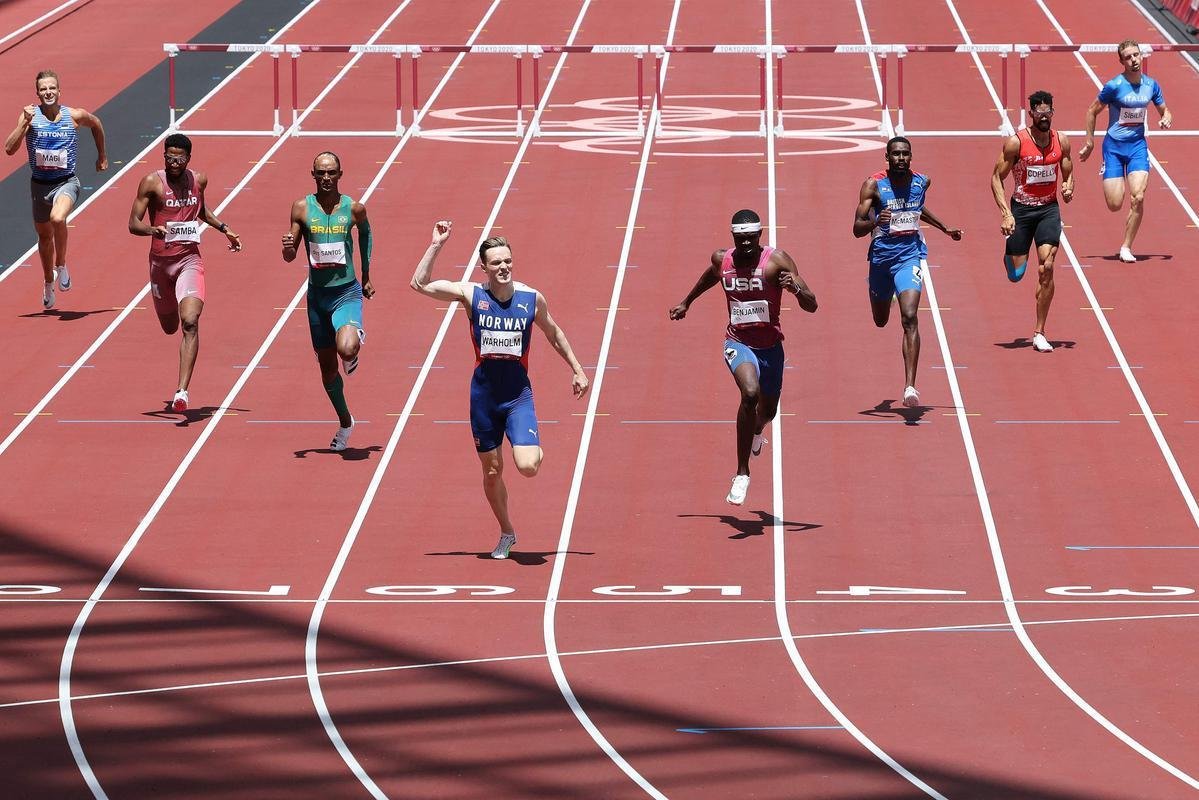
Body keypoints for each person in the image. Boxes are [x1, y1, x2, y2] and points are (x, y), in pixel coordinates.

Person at [411, 221, 589, 559]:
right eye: (496, 263)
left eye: (507, 261)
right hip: (483, 398)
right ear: (484, 267)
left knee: (527, 466)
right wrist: (436, 244)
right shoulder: (471, 295)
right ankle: (507, 532)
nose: (503, 267)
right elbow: (419, 284)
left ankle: (529, 444)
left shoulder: (530, 298)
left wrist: (578, 370)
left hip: (518, 396)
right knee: (492, 470)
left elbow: (554, 332)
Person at [669, 210, 817, 507]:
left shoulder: (777, 262)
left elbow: (812, 305)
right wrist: (687, 301)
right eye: (740, 238)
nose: (746, 243)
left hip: (771, 347)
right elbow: (710, 277)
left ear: (760, 236)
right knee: (749, 393)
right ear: (733, 237)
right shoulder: (722, 260)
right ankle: (742, 473)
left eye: (751, 237)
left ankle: (757, 430)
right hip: (738, 343)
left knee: (769, 411)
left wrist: (796, 287)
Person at [128, 133, 241, 411]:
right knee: (170, 327)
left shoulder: (198, 180)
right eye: (169, 156)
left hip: (189, 260)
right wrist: (153, 230)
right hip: (160, 264)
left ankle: (182, 392)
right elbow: (133, 223)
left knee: (190, 321)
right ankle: (179, 381)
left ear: (188, 158)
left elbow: (202, 211)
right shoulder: (152, 182)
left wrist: (225, 229)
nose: (173, 161)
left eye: (179, 157)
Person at [853, 136, 961, 408]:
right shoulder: (873, 185)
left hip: (909, 255)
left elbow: (917, 209)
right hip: (880, 259)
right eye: (896, 154)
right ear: (887, 158)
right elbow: (856, 227)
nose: (901, 158)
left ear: (911, 157)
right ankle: (886, 293)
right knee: (880, 320)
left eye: (905, 154)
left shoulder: (921, 182)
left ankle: (910, 387)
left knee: (910, 317)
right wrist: (876, 220)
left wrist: (944, 228)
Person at [281, 152, 373, 451]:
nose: (326, 178)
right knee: (327, 370)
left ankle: (354, 339)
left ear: (340, 174)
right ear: (313, 175)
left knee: (346, 347)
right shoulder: (301, 208)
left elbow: (366, 235)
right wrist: (287, 248)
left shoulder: (354, 209)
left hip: (345, 291)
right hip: (317, 298)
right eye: (320, 173)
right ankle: (346, 422)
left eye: (331, 172)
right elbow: (290, 253)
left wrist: (367, 275)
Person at [4, 70, 106, 310]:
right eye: (43, 89)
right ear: (38, 94)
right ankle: (48, 281)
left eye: (52, 88)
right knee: (44, 238)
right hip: (39, 186)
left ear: (59, 91)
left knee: (57, 218)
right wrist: (25, 124)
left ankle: (61, 265)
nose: (48, 92)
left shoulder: (74, 116)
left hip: (66, 182)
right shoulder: (30, 117)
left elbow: (97, 123)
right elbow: (9, 148)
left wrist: (102, 156)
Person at [991, 90, 1074, 353]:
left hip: (1049, 209)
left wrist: (1069, 187)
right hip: (1021, 210)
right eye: (1039, 113)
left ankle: (1039, 332)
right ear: (1032, 115)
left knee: (1046, 267)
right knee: (1016, 274)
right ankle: (1011, 253)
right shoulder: (1016, 143)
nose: (1045, 117)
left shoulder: (1062, 141)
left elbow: (1069, 172)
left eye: (1048, 112)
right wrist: (1006, 212)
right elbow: (996, 178)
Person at [1079, 39, 1172, 263]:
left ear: (1142, 56)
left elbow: (1164, 110)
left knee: (1138, 197)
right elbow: (1092, 111)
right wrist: (1090, 142)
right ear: (1121, 61)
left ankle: (1126, 247)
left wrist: (1166, 118)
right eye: (1128, 57)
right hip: (1113, 148)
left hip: (1137, 147)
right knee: (1114, 204)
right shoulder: (1114, 86)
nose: (1134, 60)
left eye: (1136, 55)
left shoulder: (1151, 85)